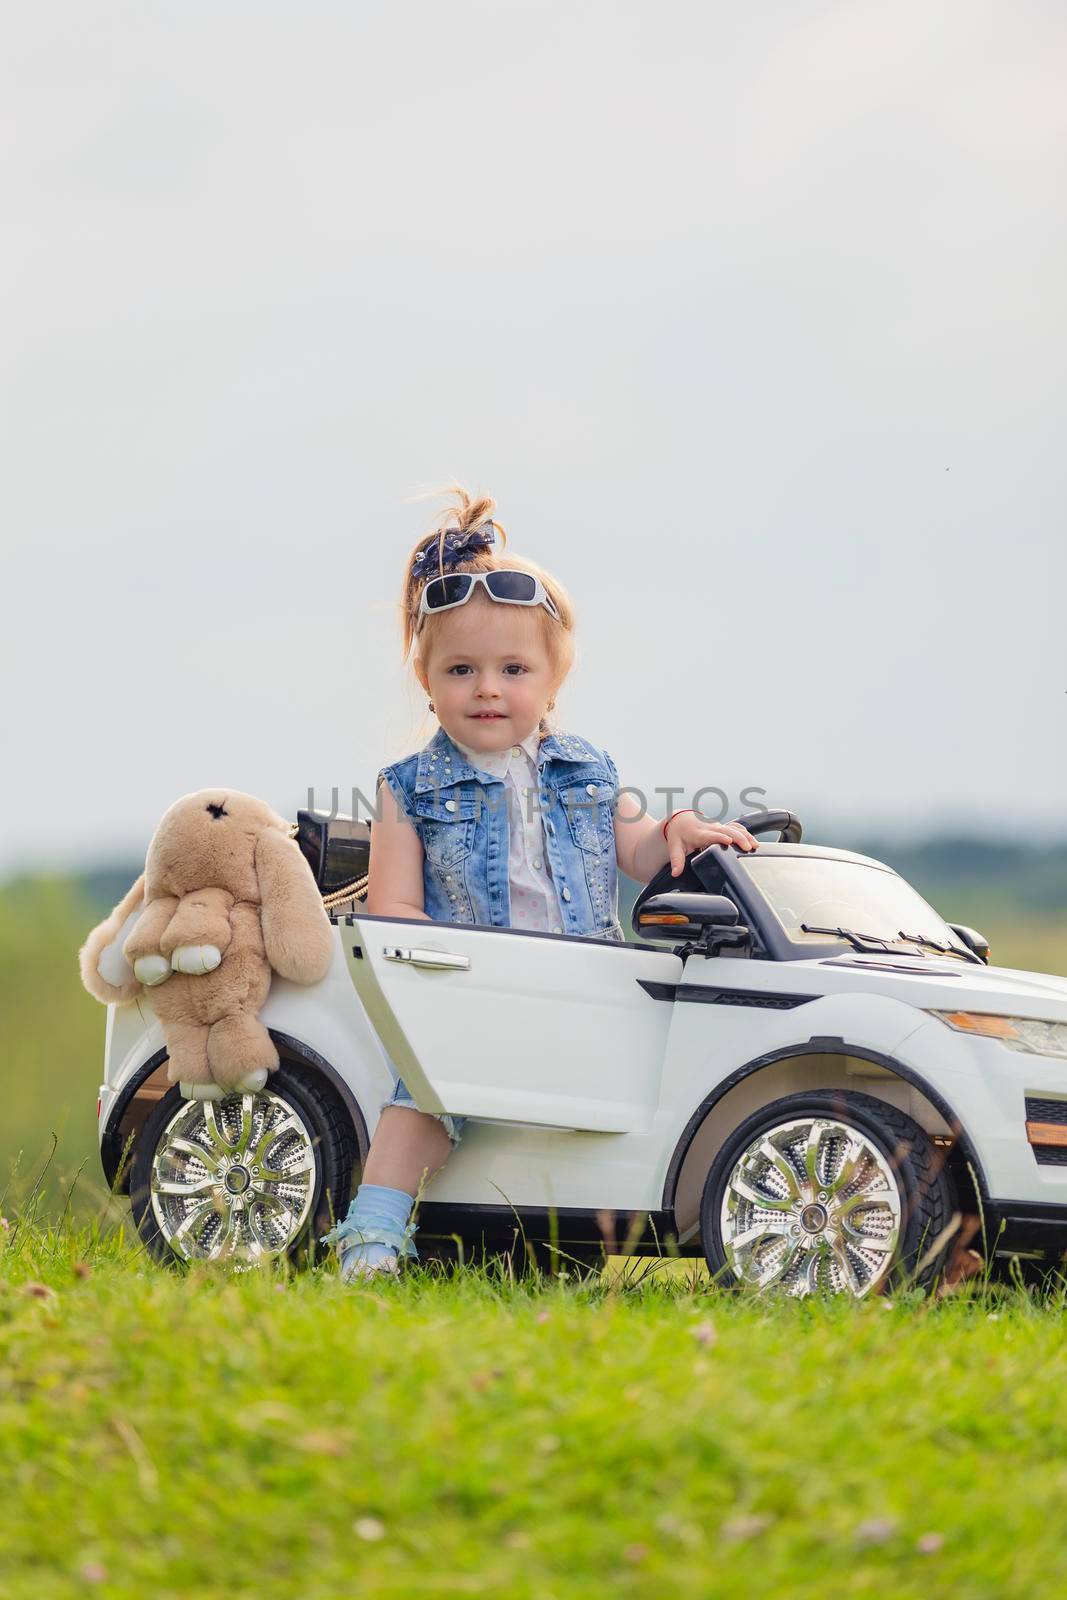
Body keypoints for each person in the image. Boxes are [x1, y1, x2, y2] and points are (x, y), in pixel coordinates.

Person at [321, 485, 759, 1279]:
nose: (487, 687)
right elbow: (392, 906)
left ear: (553, 682)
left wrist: (678, 835)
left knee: (601, 1103)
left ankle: (561, 1239)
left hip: (582, 984)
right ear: (427, 681)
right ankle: (373, 1230)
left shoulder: (584, 768)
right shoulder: (408, 787)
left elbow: (635, 849)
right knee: (422, 1102)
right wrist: (435, 971)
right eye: (461, 668)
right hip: (469, 987)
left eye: (512, 668)